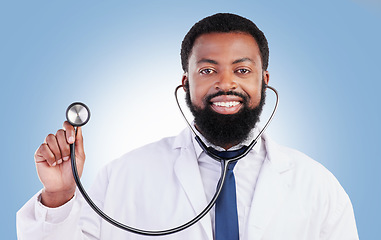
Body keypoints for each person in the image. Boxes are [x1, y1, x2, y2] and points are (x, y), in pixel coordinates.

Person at [17, 13, 359, 239]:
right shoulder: (124, 176)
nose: (226, 84)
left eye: (242, 70)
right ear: (186, 83)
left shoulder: (318, 187)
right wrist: (59, 196)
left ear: (264, 80)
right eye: (208, 70)